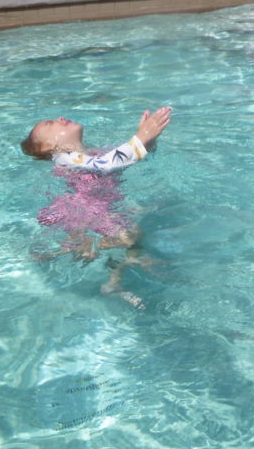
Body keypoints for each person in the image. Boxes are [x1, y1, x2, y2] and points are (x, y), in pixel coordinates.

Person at [21, 107, 172, 305]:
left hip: (102, 205)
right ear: (46, 146)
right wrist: (141, 137)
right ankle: (61, 251)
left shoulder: (92, 154)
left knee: (131, 236)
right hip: (86, 208)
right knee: (126, 237)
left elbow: (126, 159)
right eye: (50, 124)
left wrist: (149, 140)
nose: (59, 117)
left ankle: (113, 282)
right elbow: (106, 165)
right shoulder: (64, 158)